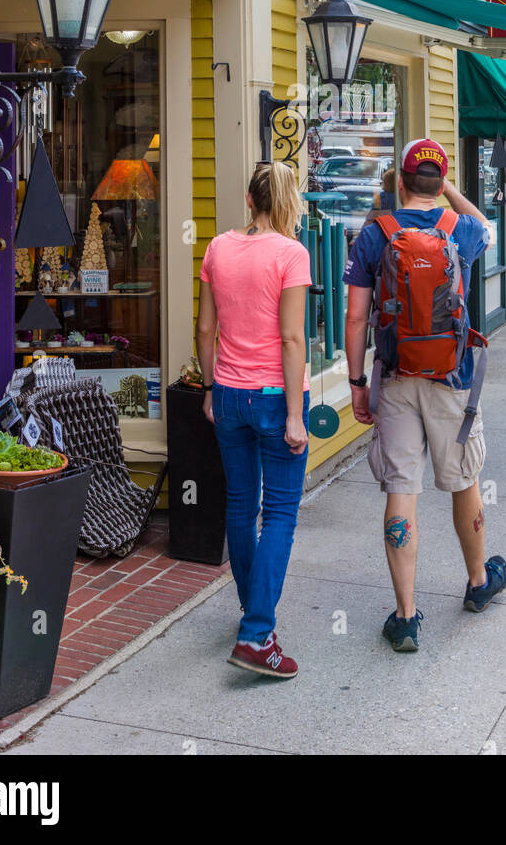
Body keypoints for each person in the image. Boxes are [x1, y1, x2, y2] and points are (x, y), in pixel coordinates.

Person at [343, 137, 505, 654]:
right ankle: (478, 583)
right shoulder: (459, 229)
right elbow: (490, 228)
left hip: (394, 377)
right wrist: (450, 191)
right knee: (463, 481)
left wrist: (356, 383)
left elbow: (355, 317)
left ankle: (407, 616)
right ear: (438, 183)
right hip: (451, 377)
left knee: (401, 489)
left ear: (400, 182)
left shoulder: (376, 235)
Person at [198, 161, 311, 679]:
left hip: (228, 394)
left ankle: (251, 616)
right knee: (281, 514)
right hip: (273, 397)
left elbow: (205, 329)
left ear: (249, 198)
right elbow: (291, 340)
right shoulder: (291, 253)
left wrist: (208, 387)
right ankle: (256, 633)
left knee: (241, 509)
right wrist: (293, 414)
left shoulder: (218, 248)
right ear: (287, 201)